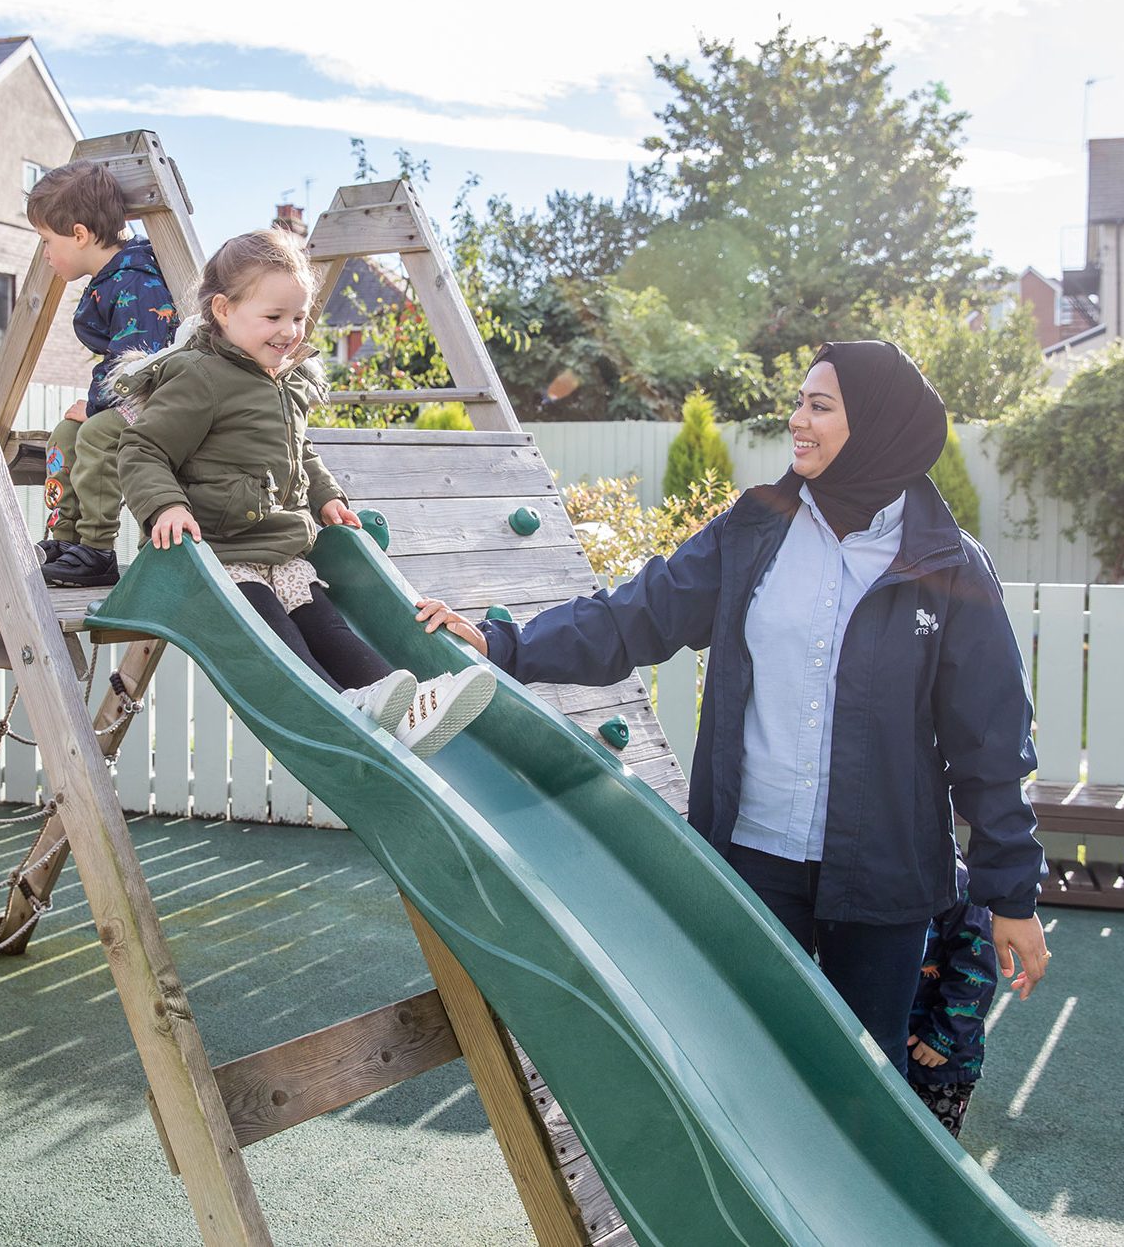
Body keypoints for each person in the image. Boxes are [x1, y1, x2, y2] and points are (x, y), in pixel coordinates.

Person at [415, 341, 1051, 1074]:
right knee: (743, 1067)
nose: (797, 421)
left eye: (820, 406)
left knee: (863, 1084)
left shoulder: (948, 565)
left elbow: (992, 743)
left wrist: (1011, 894)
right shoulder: (757, 528)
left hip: (885, 877)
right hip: (753, 858)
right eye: (799, 402)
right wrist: (507, 645)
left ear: (877, 424)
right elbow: (636, 615)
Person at [118, 228, 495, 757]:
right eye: (273, 317)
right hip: (221, 556)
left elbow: (301, 453)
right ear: (223, 310)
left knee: (326, 624)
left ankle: (400, 703)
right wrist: (167, 504)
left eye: (298, 317)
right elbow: (142, 449)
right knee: (282, 639)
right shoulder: (201, 378)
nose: (290, 331)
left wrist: (326, 495)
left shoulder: (284, 381)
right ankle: (342, 706)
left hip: (281, 547)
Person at [28, 159, 179, 588]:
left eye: (47, 240)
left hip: (155, 401)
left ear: (79, 234)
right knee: (64, 434)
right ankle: (65, 537)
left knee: (94, 434)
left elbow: (136, 360)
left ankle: (97, 548)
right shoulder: (109, 279)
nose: (45, 253)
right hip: (128, 398)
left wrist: (95, 406)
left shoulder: (135, 282)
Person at [906, 858, 996, 1137]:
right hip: (887, 1042)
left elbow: (976, 970)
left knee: (929, 1148)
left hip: (942, 1060)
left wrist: (943, 1037)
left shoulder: (958, 881)